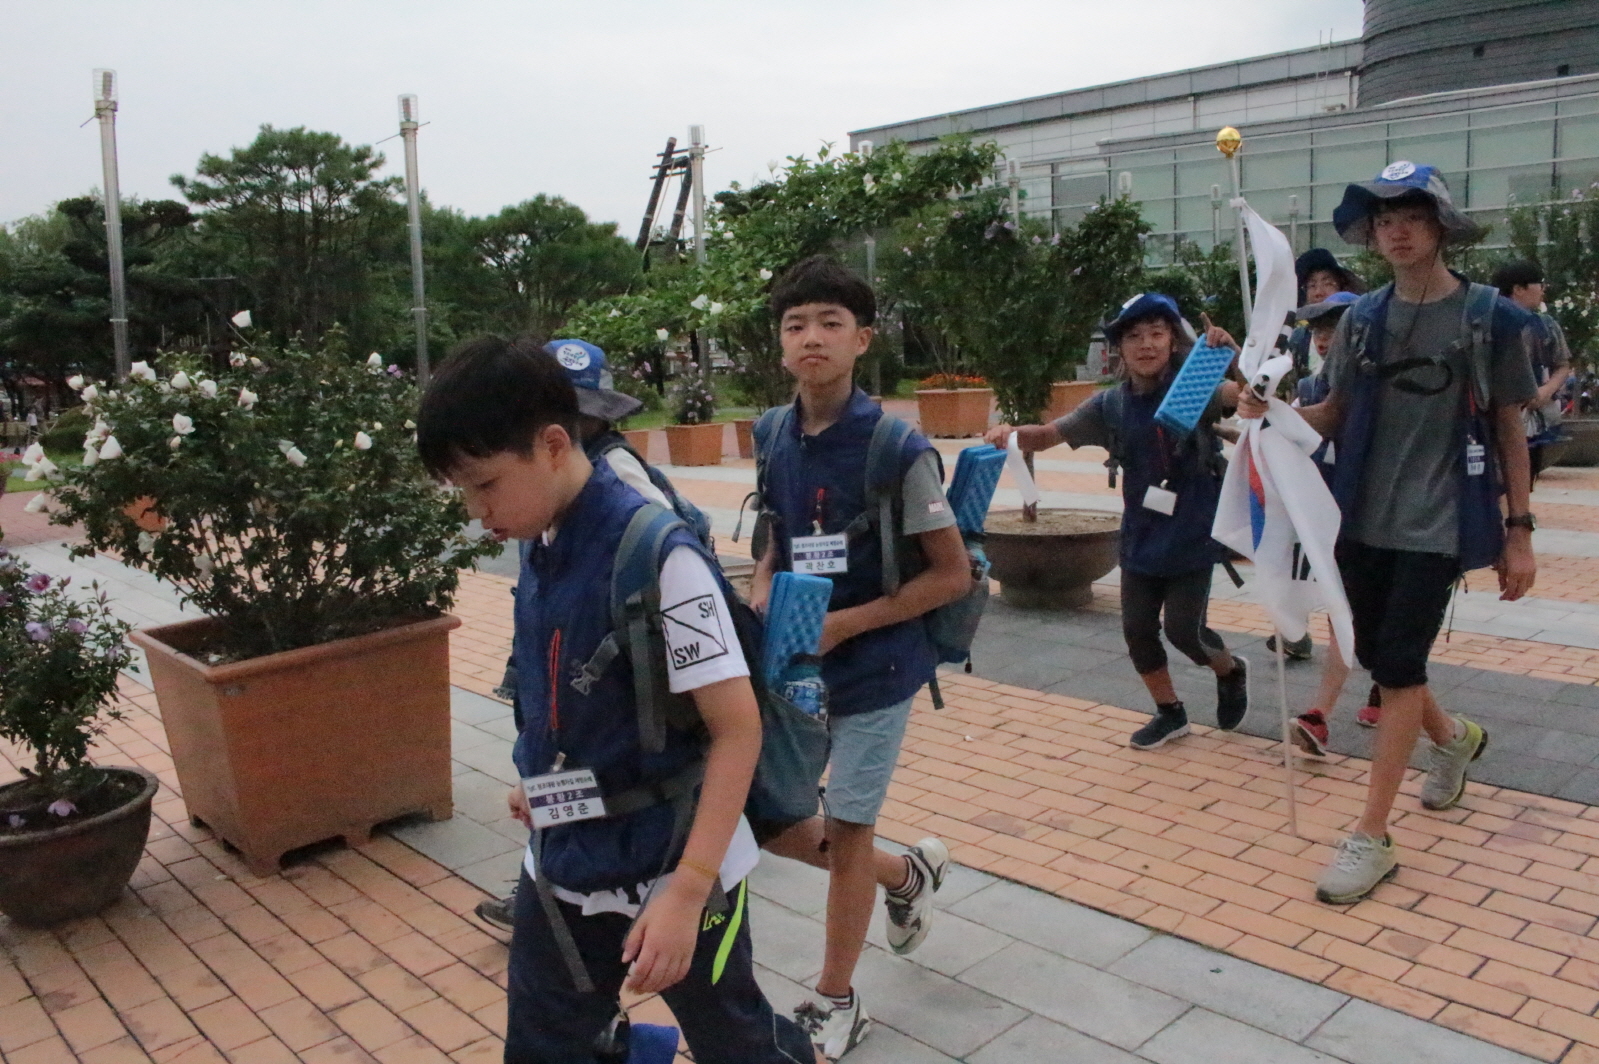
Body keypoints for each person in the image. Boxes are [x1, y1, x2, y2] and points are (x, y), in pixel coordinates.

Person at [417, 337, 820, 1064]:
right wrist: (548, 788)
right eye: (463, 493)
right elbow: (580, 706)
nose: (476, 511)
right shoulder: (542, 539)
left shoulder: (662, 558)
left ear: (549, 444)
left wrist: (687, 891)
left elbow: (735, 731)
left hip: (676, 863)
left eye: (483, 485)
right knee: (543, 1045)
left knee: (734, 1040)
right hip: (565, 859)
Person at [1238, 162, 1538, 905]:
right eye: (1382, 219)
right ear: (1371, 236)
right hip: (1358, 516)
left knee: (1397, 665)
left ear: (1438, 225)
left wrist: (1519, 530)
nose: (1395, 229)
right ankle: (1454, 739)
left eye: (1410, 215)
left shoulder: (1490, 319)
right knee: (1375, 652)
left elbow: (1508, 427)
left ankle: (1371, 834)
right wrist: (1266, 413)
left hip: (1437, 521)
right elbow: (1332, 414)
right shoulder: (1362, 319)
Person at [750, 255, 971, 1061]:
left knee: (844, 828)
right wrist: (764, 590)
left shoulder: (894, 446)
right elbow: (773, 532)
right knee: (775, 818)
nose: (811, 337)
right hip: (796, 663)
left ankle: (836, 1000)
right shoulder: (771, 431)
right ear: (779, 344)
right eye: (795, 324)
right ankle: (906, 877)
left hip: (877, 667)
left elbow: (952, 575)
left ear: (861, 339)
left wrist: (847, 626)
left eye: (829, 323)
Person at [475, 337, 693, 936]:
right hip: (576, 762)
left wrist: (696, 880)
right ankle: (534, 892)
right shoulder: (538, 505)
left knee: (718, 1010)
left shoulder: (614, 473)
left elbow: (657, 547)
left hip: (647, 799)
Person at [987, 294, 1250, 751]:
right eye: (1133, 336)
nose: (1145, 344)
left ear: (1173, 341)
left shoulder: (1194, 390)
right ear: (1119, 349)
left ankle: (1230, 670)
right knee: (1137, 632)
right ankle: (1170, 713)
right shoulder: (1111, 406)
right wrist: (1009, 434)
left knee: (1186, 632)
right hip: (1142, 536)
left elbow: (1247, 400)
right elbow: (1050, 435)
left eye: (1156, 333)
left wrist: (1239, 360)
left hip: (1191, 533)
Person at [1284, 292, 1384, 755]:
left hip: (1384, 520)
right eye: (1320, 332)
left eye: (1335, 331)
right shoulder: (1307, 388)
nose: (1325, 341)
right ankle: (1320, 714)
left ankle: (1391, 687)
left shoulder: (1381, 388)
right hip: (1329, 519)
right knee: (1341, 617)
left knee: (1382, 627)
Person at [1492, 262, 1573, 483]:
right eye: (1539, 284)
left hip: (1534, 419)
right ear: (1518, 288)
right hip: (1494, 417)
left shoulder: (1545, 325)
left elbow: (1563, 364)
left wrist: (1546, 391)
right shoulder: (1487, 323)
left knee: (1525, 477)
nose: (1543, 289)